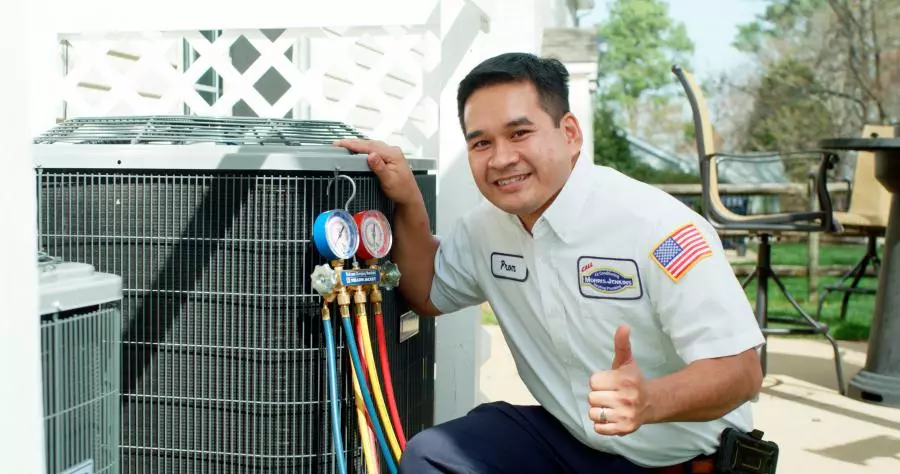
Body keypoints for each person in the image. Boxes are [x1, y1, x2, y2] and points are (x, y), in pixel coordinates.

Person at [334, 52, 766, 474]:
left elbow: (740, 372)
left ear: (571, 134)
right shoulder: (486, 228)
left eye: (520, 133)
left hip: (675, 459)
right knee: (433, 454)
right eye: (481, 142)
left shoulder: (660, 230)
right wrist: (409, 199)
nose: (501, 158)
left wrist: (648, 400)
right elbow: (428, 291)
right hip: (570, 440)